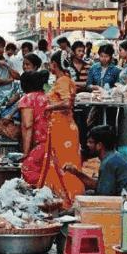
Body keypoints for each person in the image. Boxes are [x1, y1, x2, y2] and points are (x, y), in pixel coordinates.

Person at [32, 52, 84, 207]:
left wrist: (49, 107)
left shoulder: (62, 80)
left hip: (63, 128)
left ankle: (68, 199)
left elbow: (67, 103)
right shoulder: (66, 80)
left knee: (64, 164)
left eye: (50, 63)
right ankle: (64, 199)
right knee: (60, 163)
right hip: (62, 127)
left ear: (55, 64)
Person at [64, 125, 127, 196]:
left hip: (123, 202)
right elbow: (100, 185)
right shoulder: (114, 157)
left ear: (99, 145)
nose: (87, 145)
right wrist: (76, 173)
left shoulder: (109, 163)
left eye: (90, 142)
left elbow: (103, 194)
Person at [19, 70, 51, 183]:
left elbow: (28, 125)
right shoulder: (47, 97)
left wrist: (26, 152)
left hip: (41, 143)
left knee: (28, 169)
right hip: (52, 142)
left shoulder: (27, 99)